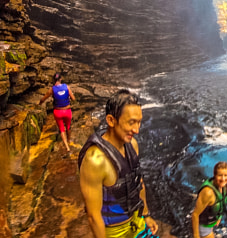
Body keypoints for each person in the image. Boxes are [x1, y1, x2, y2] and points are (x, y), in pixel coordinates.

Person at [78, 90, 160, 238]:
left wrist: (146, 215)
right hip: (114, 232)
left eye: (139, 122)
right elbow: (93, 215)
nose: (137, 130)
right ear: (111, 120)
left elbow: (138, 182)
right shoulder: (95, 161)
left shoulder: (132, 145)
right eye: (131, 123)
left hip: (137, 220)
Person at [39, 72, 77, 153]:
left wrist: (39, 103)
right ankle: (69, 140)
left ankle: (67, 147)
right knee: (68, 127)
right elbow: (73, 98)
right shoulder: (66, 87)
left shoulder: (52, 89)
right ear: (61, 79)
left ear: (54, 80)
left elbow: (43, 99)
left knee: (61, 129)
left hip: (58, 112)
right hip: (67, 111)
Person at [192, 161, 227, 238]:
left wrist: (219, 218)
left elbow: (221, 202)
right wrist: (196, 235)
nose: (223, 179)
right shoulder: (208, 193)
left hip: (211, 222)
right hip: (204, 226)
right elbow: (195, 214)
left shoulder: (224, 187)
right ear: (215, 175)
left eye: (225, 175)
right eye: (220, 175)